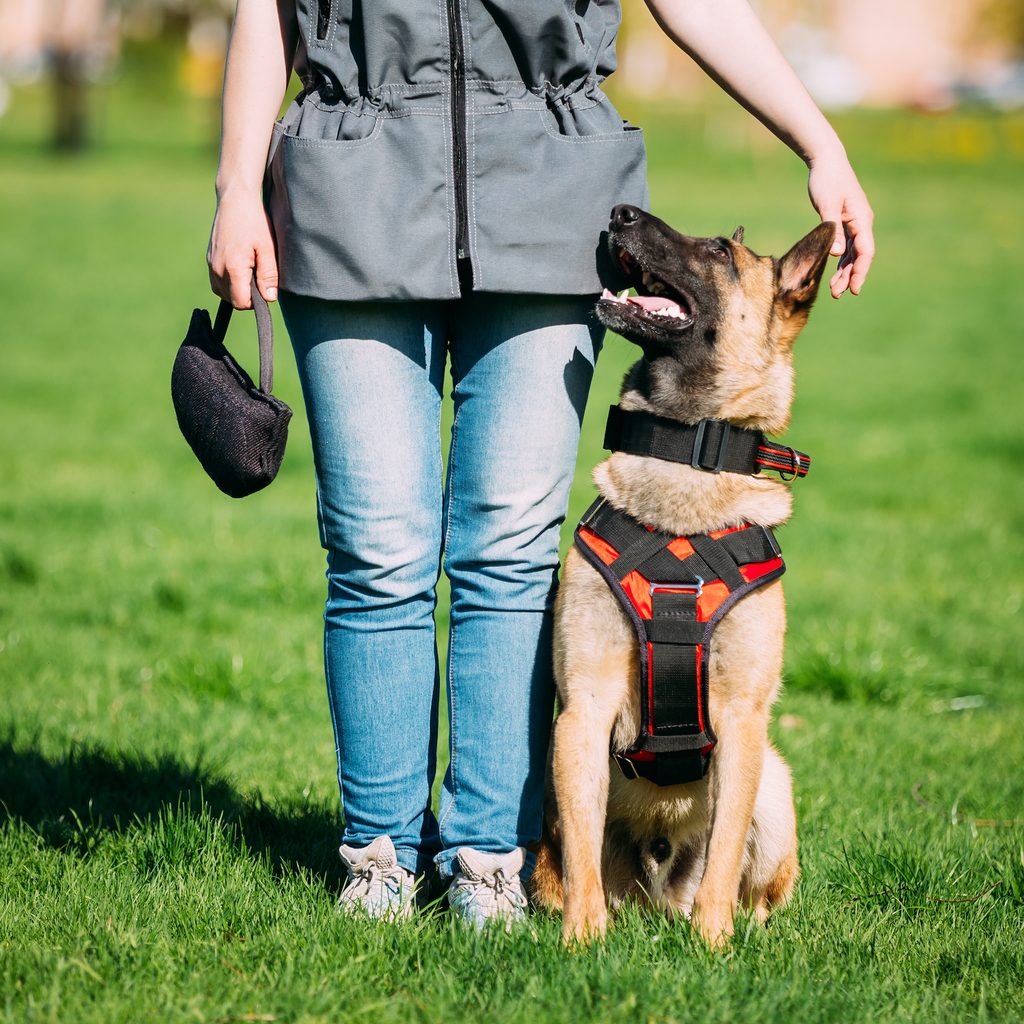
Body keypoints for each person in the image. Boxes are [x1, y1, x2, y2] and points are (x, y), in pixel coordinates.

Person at [207, 0, 874, 927]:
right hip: (348, 190)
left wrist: (818, 139)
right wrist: (238, 183)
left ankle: (489, 860)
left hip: (546, 197)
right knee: (374, 553)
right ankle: (380, 859)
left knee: (511, 554)